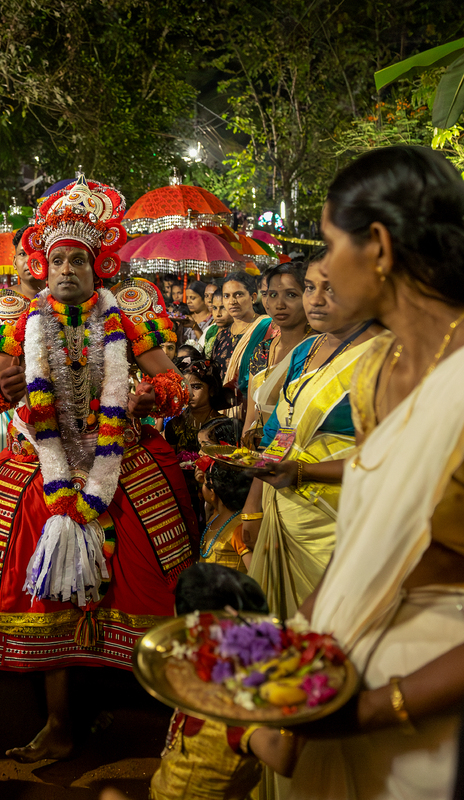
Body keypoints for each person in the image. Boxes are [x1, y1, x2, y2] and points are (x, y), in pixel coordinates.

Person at [0, 176, 198, 762]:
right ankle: (62, 723)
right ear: (43, 266)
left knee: (147, 587)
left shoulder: (131, 312)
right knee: (50, 602)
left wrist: (152, 396)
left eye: (79, 260)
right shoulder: (15, 316)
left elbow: (177, 386)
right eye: (58, 258)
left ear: (99, 269)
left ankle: (174, 723)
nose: (66, 268)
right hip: (45, 474)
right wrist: (0, 385)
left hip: (124, 467)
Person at [276, 146, 464, 800]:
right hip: (343, 683)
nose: (322, 268)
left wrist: (374, 710)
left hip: (427, 721)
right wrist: (294, 650)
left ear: (378, 246)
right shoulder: (382, 368)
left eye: (329, 244)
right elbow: (365, 540)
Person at [242, 259, 379, 621]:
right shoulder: (306, 350)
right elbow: (280, 433)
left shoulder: (386, 356)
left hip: (338, 519)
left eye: (330, 288)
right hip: (281, 504)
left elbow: (388, 459)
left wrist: (303, 473)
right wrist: (253, 504)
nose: (315, 300)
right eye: (310, 288)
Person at [149, 563, 297, 800]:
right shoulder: (204, 673)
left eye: (181, 625)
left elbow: (280, 758)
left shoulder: (234, 702)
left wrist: (304, 698)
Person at [0, 224, 45, 475]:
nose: (28, 260)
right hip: (5, 410)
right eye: (22, 254)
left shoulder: (66, 303)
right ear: (14, 261)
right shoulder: (1, 305)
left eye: (36, 252)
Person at [243, 261, 313, 447]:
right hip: (259, 451)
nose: (279, 304)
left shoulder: (318, 349)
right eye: (272, 295)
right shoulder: (262, 351)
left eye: (291, 295)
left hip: (298, 455)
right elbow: (251, 416)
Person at [163, 354, 225, 527]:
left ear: (211, 389)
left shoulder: (221, 425)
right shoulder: (176, 424)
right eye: (186, 387)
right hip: (182, 492)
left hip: (212, 494)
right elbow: (169, 461)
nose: (190, 393)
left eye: (197, 387)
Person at [215, 271, 273, 402]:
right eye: (226, 296)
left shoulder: (267, 329)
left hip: (256, 406)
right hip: (223, 410)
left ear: (253, 297)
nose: (232, 301)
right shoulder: (221, 337)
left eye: (238, 295)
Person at [202, 287, 232, 357]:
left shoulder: (238, 332)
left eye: (223, 308)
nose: (218, 314)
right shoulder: (211, 330)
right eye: (215, 308)